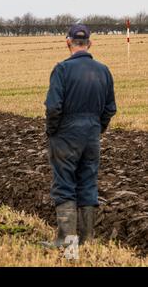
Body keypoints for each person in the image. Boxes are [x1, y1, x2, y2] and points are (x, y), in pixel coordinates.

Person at [43, 24, 117, 248]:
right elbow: (110, 108)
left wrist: (52, 130)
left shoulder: (62, 70)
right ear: (90, 43)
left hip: (66, 133)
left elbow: (53, 107)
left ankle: (66, 240)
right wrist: (97, 128)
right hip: (92, 134)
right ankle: (86, 240)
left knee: (65, 183)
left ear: (68, 42)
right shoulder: (103, 70)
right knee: (87, 182)